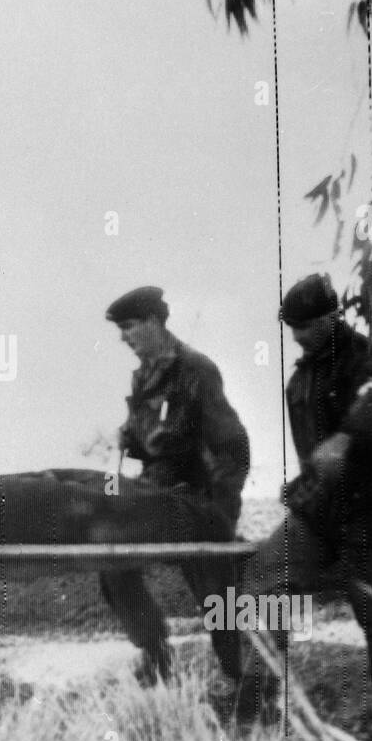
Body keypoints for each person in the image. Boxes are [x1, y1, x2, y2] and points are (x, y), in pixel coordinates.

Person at [237, 273, 372, 741]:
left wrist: (345, 438)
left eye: (306, 325)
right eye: (292, 328)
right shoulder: (299, 381)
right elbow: (313, 458)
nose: (298, 336)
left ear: (329, 318)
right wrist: (302, 487)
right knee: (262, 581)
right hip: (323, 514)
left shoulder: (367, 358)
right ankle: (259, 703)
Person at [102, 286, 251, 684]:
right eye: (121, 330)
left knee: (217, 596)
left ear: (154, 322)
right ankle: (157, 657)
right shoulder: (146, 374)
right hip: (156, 496)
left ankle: (243, 681)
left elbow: (232, 445)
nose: (124, 337)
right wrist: (123, 435)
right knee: (112, 559)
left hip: (196, 502)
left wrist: (221, 515)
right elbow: (155, 440)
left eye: (130, 327)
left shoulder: (194, 369)